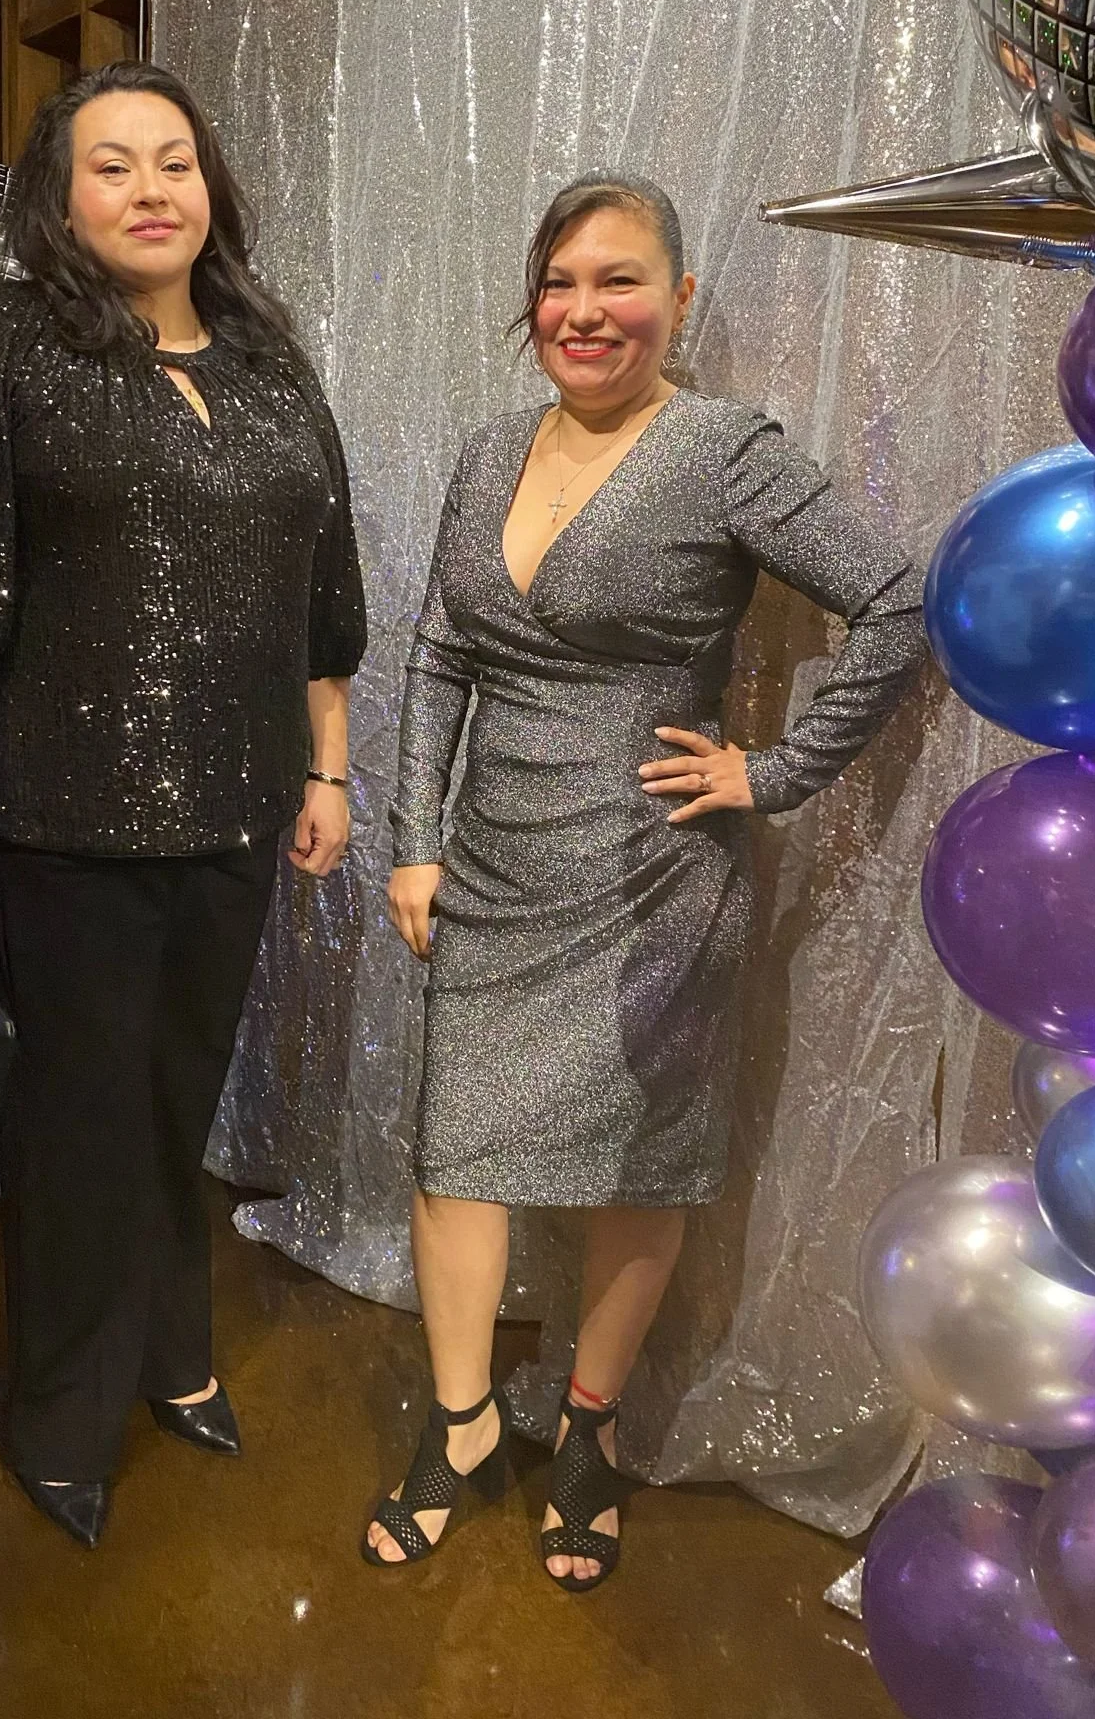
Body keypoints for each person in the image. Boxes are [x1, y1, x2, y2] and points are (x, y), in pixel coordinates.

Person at [364, 176, 925, 1590]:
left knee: (636, 1168)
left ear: (677, 305)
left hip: (652, 887)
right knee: (453, 1157)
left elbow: (897, 600)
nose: (584, 310)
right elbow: (440, 655)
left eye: (620, 283)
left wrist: (772, 772)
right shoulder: (491, 450)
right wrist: (413, 837)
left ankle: (593, 1436)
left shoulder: (726, 451)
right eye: (561, 282)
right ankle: (462, 1428)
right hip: (490, 865)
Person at [0, 60, 366, 1548]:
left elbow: (322, 594)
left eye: (175, 161)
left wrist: (326, 763)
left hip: (238, 811)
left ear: (213, 189)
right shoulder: (4, 351)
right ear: (57, 197)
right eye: (113, 165)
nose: (150, 189)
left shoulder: (266, 359)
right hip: (62, 820)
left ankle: (172, 1353)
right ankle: (60, 1413)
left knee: (175, 1100)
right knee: (78, 1118)